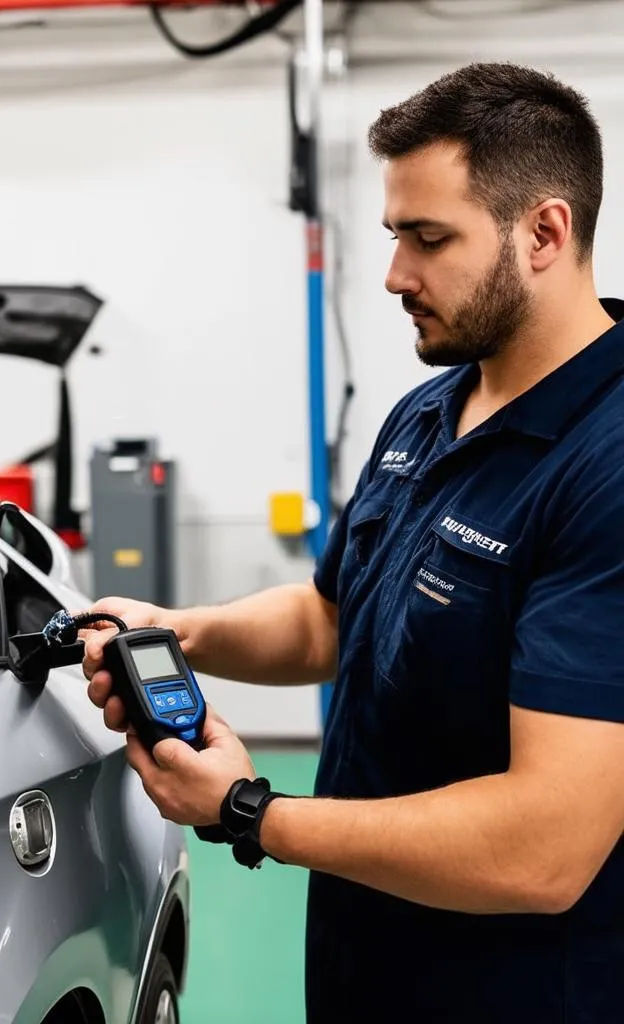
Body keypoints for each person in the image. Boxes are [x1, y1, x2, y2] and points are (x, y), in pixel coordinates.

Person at [80, 62, 624, 1023]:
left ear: (545, 232)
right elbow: (334, 616)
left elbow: (548, 847)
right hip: (368, 967)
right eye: (394, 235)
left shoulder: (607, 462)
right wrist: (180, 631)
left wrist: (253, 812)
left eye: (429, 238)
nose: (394, 275)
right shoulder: (430, 411)